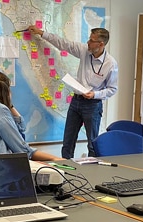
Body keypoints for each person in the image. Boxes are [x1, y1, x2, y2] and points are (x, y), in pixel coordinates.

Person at [28, 26, 118, 159]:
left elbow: (112, 89)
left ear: (101, 44)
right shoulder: (84, 50)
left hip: (92, 105)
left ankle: (92, 172)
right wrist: (41, 33)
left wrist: (95, 94)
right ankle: (65, 170)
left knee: (92, 143)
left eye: (92, 40)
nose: (88, 42)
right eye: (89, 39)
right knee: (68, 141)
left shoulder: (110, 64)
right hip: (76, 101)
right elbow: (63, 44)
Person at [0, 68, 61, 161]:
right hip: (3, 168)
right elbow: (23, 150)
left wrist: (9, 105)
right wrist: (55, 158)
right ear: (6, 91)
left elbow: (21, 128)